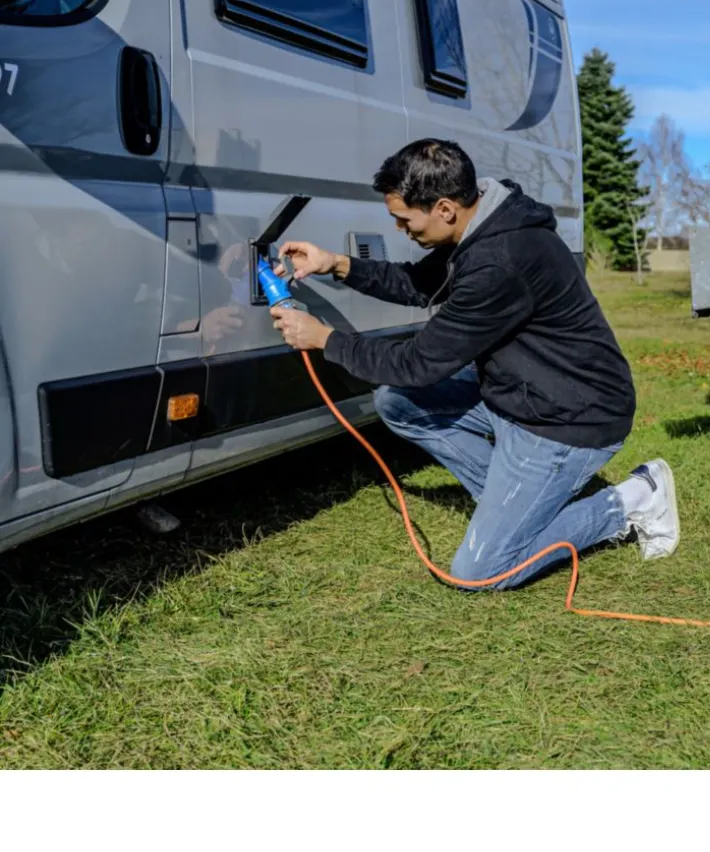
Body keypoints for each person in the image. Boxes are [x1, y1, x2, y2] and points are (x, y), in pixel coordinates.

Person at [269, 138, 679, 589]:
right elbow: (419, 284)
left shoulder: (500, 261)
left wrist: (325, 339)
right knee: (398, 403)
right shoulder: (484, 225)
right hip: (523, 393)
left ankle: (635, 498)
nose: (400, 228)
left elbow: (418, 363)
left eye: (404, 219)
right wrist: (336, 264)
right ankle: (521, 508)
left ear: (444, 208)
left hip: (569, 418)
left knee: (481, 571)